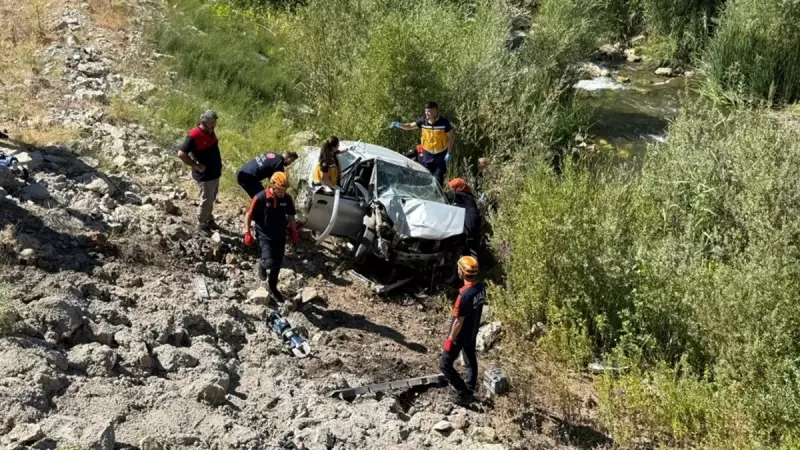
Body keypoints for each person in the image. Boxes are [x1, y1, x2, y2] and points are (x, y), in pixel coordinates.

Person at [243, 172, 300, 303]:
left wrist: (294, 232)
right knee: (269, 262)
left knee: (278, 262)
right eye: (280, 190)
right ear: (272, 185)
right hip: (264, 234)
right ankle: (262, 265)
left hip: (280, 233)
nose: (282, 193)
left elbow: (291, 215)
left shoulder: (286, 198)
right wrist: (247, 232)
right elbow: (248, 214)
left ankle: (273, 286)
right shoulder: (260, 197)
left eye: (284, 190)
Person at [440, 256, 485, 405]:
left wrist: (450, 339)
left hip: (460, 334)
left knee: (445, 364)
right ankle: (470, 387)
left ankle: (463, 393)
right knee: (470, 357)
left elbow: (459, 321)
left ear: (462, 272)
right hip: (473, 331)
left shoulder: (463, 296)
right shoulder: (481, 288)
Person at [177, 110, 222, 232]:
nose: (214, 125)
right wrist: (196, 165)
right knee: (206, 200)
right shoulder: (194, 135)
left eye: (215, 122)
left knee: (212, 197)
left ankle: (209, 219)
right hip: (206, 176)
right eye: (212, 123)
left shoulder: (209, 131)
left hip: (214, 173)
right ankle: (201, 225)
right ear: (203, 122)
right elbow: (181, 153)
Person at [392, 102, 455, 186]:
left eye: (429, 112)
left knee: (438, 179)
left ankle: (437, 197)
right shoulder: (423, 121)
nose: (427, 114)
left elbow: (451, 137)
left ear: (436, 111)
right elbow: (411, 126)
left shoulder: (443, 123)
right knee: (425, 178)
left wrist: (449, 152)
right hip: (427, 155)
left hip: (440, 155)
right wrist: (400, 125)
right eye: (426, 111)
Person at [448, 178, 481, 259]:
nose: (451, 190)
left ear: (458, 188)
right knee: (472, 248)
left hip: (467, 227)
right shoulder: (469, 197)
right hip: (475, 226)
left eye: (452, 188)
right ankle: (474, 267)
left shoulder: (459, 195)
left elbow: (445, 195)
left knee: (457, 246)